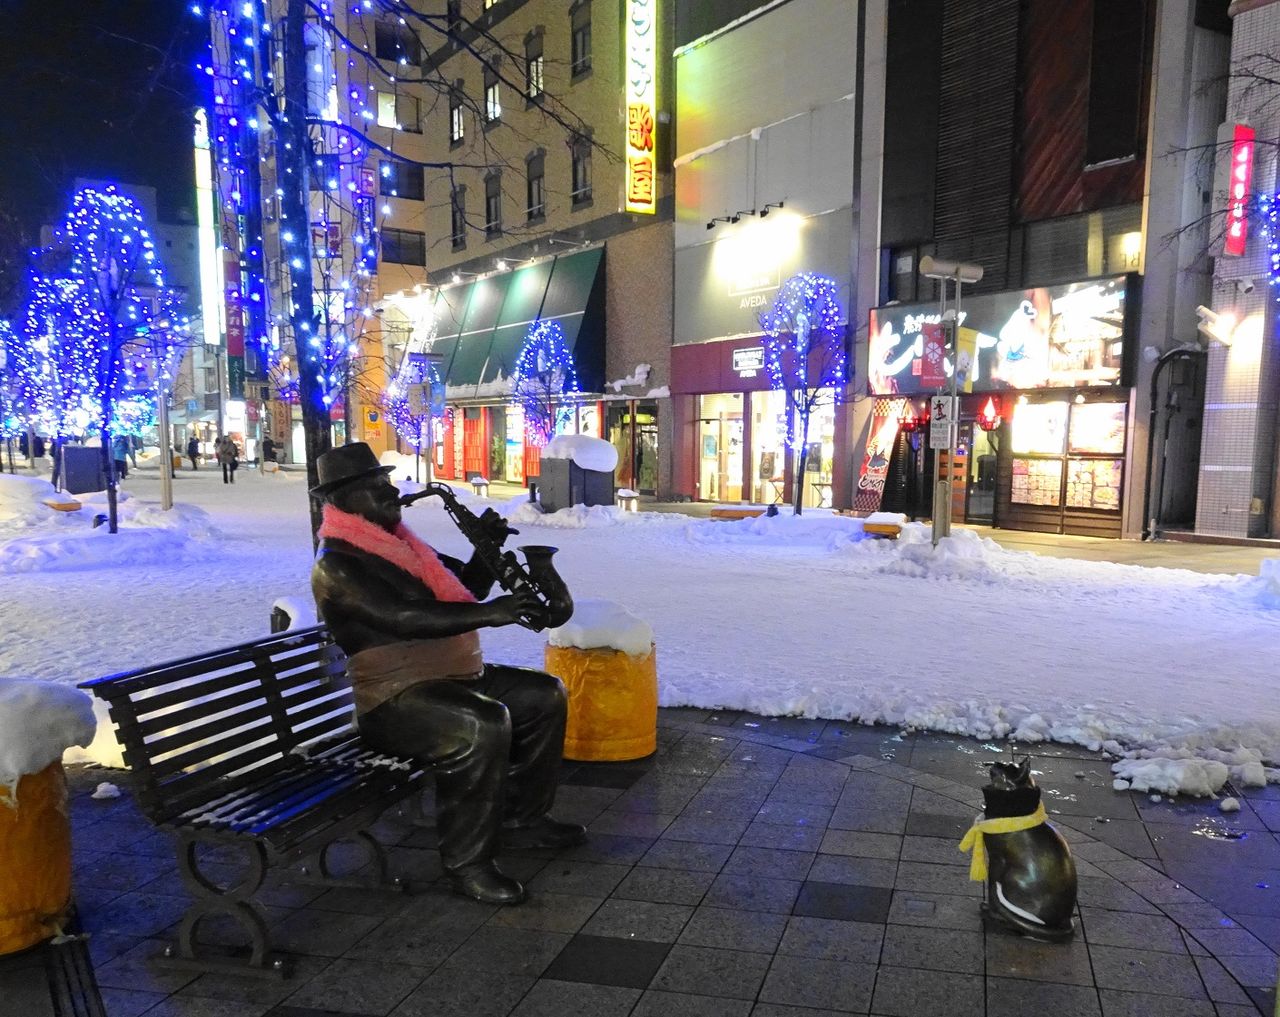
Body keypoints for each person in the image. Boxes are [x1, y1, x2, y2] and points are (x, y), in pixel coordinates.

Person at [310, 443, 585, 906]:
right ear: (342, 500)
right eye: (376, 487)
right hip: (393, 699)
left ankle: (522, 818)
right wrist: (491, 614)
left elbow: (462, 592)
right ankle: (468, 863)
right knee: (482, 722)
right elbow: (402, 617)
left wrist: (487, 551)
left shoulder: (400, 544)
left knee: (543, 694)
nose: (391, 492)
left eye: (388, 482)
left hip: (450, 677)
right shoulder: (336, 564)